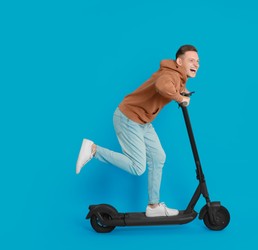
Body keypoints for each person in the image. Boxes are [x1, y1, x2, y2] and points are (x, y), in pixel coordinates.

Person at [76, 45, 200, 217]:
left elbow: (172, 84)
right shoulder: (170, 74)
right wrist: (180, 98)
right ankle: (94, 150)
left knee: (158, 157)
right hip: (129, 118)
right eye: (191, 60)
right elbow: (162, 86)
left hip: (142, 121)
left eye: (198, 61)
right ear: (179, 61)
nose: (196, 64)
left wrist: (182, 90)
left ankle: (154, 206)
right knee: (137, 167)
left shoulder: (177, 75)